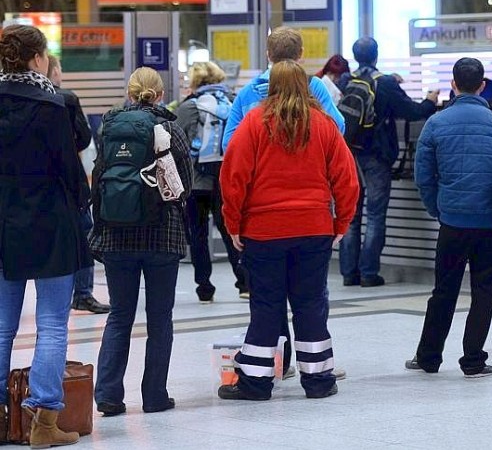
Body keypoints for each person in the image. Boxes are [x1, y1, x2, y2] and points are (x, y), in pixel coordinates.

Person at [218, 60, 359, 401]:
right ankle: (319, 380)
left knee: (266, 306)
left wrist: (233, 223)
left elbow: (233, 177)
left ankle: (256, 382)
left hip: (263, 231)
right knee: (311, 304)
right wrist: (341, 223)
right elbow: (347, 179)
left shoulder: (253, 123)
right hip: (313, 228)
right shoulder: (324, 125)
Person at [406, 58, 492, 377]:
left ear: (453, 85)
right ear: (483, 86)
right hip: (491, 225)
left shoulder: (436, 123)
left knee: (443, 291)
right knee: (484, 292)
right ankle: (473, 360)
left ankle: (429, 357)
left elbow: (423, 177)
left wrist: (438, 208)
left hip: (453, 223)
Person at [0, 25, 92, 448]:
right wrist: (83, 201)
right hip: (51, 226)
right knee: (52, 324)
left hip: (3, 225)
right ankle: (43, 422)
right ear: (38, 59)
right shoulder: (53, 106)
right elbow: (70, 172)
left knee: (2, 326)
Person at [91, 67, 193, 416]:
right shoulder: (170, 129)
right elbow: (184, 185)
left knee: (119, 316)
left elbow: (98, 178)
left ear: (130, 93)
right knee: (159, 318)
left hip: (117, 236)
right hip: (162, 235)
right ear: (160, 94)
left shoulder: (108, 127)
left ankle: (108, 395)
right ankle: (154, 396)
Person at [338, 37, 439, 287]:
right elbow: (413, 112)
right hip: (375, 156)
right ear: (376, 55)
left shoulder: (346, 80)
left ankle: (349, 274)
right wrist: (430, 100)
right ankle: (369, 273)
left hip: (349, 153)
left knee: (350, 215)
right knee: (374, 214)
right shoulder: (384, 84)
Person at [176, 61, 248, 302]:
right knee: (229, 230)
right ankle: (244, 282)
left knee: (197, 235)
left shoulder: (188, 107)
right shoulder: (231, 102)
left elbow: (177, 141)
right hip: (225, 178)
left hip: (196, 181)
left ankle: (204, 287)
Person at [46, 54, 111, 315]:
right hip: (67, 181)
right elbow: (84, 139)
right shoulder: (66, 99)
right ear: (49, 68)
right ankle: (82, 293)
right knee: (85, 232)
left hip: (26, 186)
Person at [222, 26, 344, 151]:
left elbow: (229, 143)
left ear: (268, 55)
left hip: (263, 169)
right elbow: (337, 125)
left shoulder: (248, 92)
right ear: (301, 53)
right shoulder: (313, 86)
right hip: (308, 166)